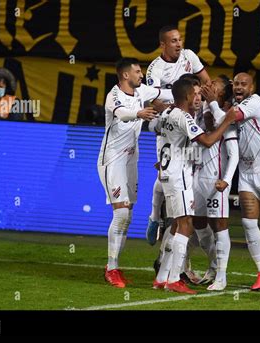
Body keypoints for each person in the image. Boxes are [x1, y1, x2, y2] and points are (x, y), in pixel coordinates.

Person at [206, 72, 260, 292]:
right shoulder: (229, 105)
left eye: (244, 84)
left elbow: (230, 117)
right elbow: (219, 120)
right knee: (248, 223)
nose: (239, 87)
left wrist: (215, 105)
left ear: (251, 88)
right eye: (236, 84)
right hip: (246, 173)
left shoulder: (255, 102)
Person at [152, 78, 236, 294]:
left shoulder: (168, 113)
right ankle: (173, 279)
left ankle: (161, 277)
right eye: (196, 93)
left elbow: (157, 132)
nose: (199, 96)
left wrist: (163, 158)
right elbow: (207, 141)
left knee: (177, 225)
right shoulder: (183, 116)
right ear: (187, 96)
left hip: (168, 173)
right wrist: (227, 122)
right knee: (186, 225)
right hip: (179, 175)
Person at [97, 57, 171, 288]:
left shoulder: (142, 90)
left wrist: (190, 87)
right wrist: (139, 113)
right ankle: (111, 268)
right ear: (126, 75)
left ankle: (114, 266)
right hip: (113, 160)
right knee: (120, 214)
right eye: (138, 72)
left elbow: (165, 93)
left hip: (131, 158)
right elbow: (121, 114)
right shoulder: (114, 95)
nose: (142, 75)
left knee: (127, 215)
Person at [145, 25, 211, 246]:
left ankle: (179, 260)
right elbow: (152, 99)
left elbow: (206, 81)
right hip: (166, 118)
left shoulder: (189, 56)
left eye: (180, 39)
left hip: (188, 114)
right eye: (173, 41)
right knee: (165, 170)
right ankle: (155, 217)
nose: (179, 44)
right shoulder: (155, 68)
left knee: (183, 166)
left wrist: (201, 105)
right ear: (163, 44)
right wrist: (174, 111)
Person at [193, 78, 238, 290]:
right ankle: (212, 266)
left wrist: (226, 181)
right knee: (199, 225)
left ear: (221, 95)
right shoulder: (202, 112)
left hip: (215, 180)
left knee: (220, 227)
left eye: (215, 85)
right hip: (197, 178)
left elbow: (234, 154)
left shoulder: (227, 119)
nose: (209, 85)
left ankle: (222, 276)